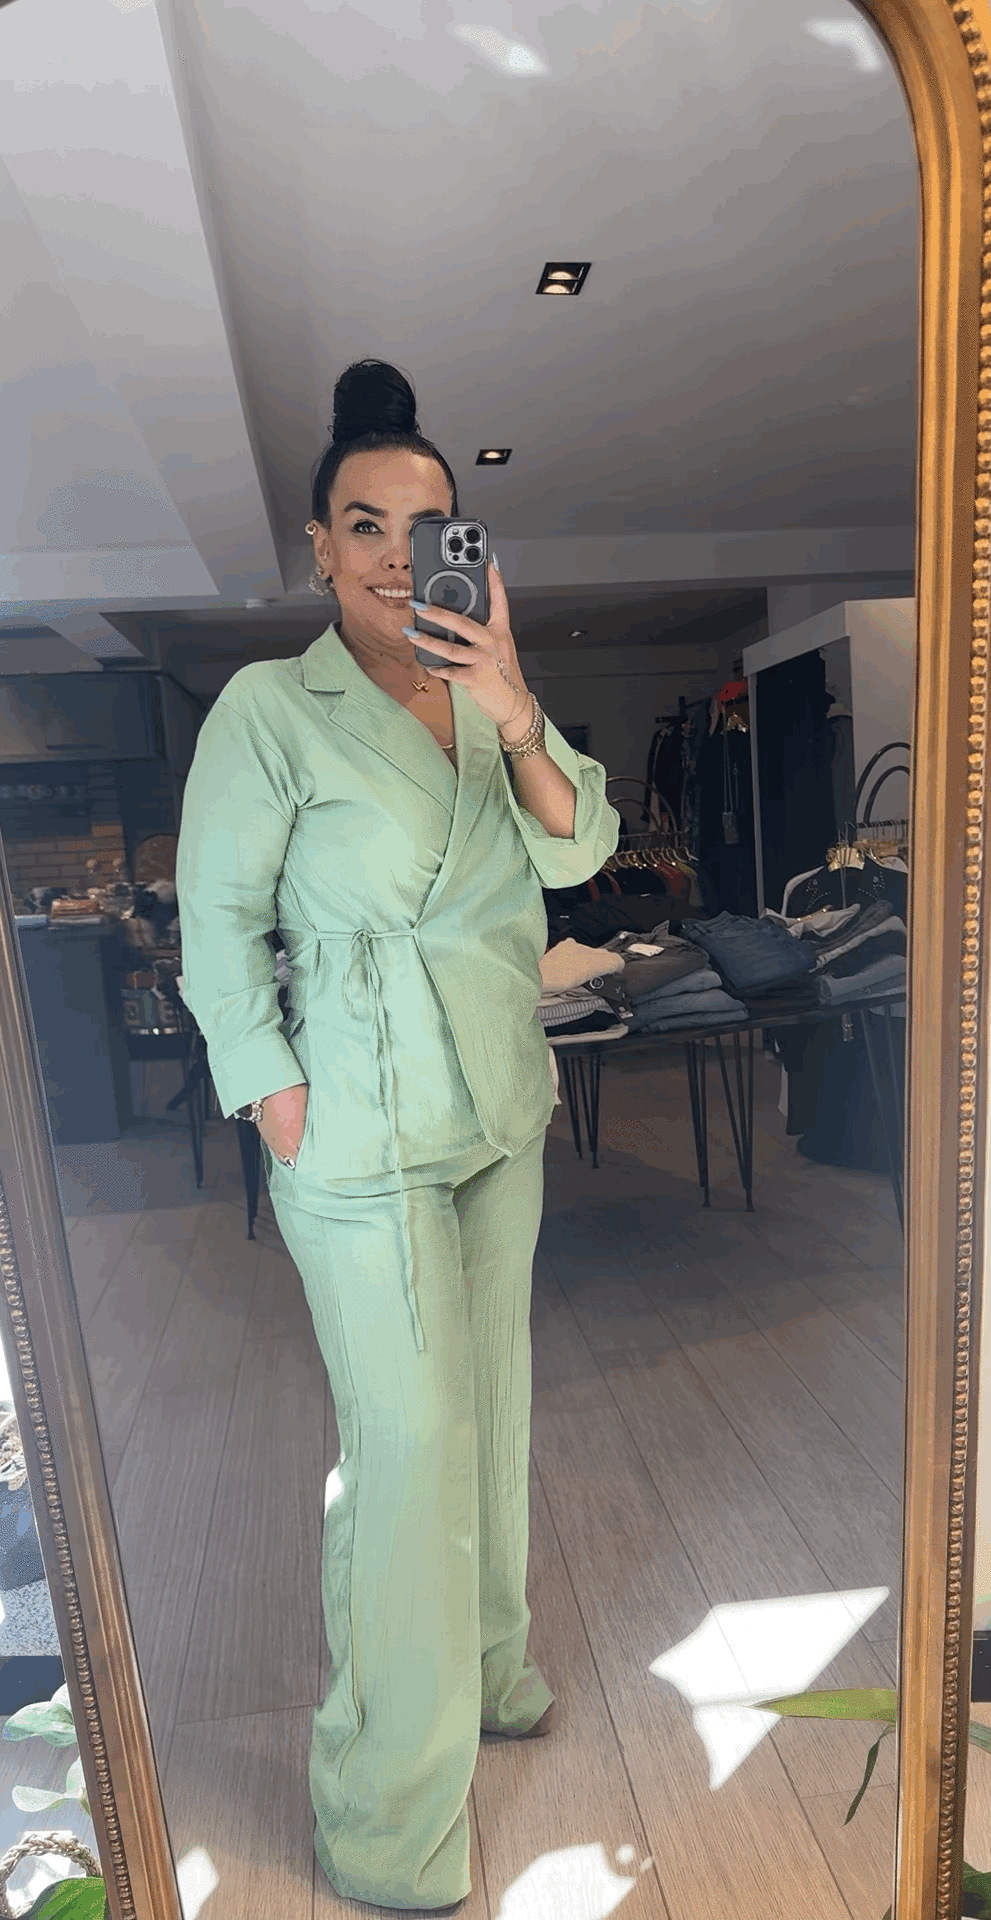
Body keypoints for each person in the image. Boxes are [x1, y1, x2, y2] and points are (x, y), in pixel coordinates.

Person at [175, 359, 620, 1915]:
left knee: (488, 1410)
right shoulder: (269, 709)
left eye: (424, 527)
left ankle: (487, 1670)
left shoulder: (489, 695)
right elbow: (216, 918)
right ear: (320, 546)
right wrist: (272, 1090)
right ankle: (384, 1818)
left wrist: (513, 703)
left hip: (497, 1100)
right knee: (407, 1450)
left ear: (463, 546)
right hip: (358, 1121)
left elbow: (583, 847)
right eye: (363, 524)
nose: (392, 553)